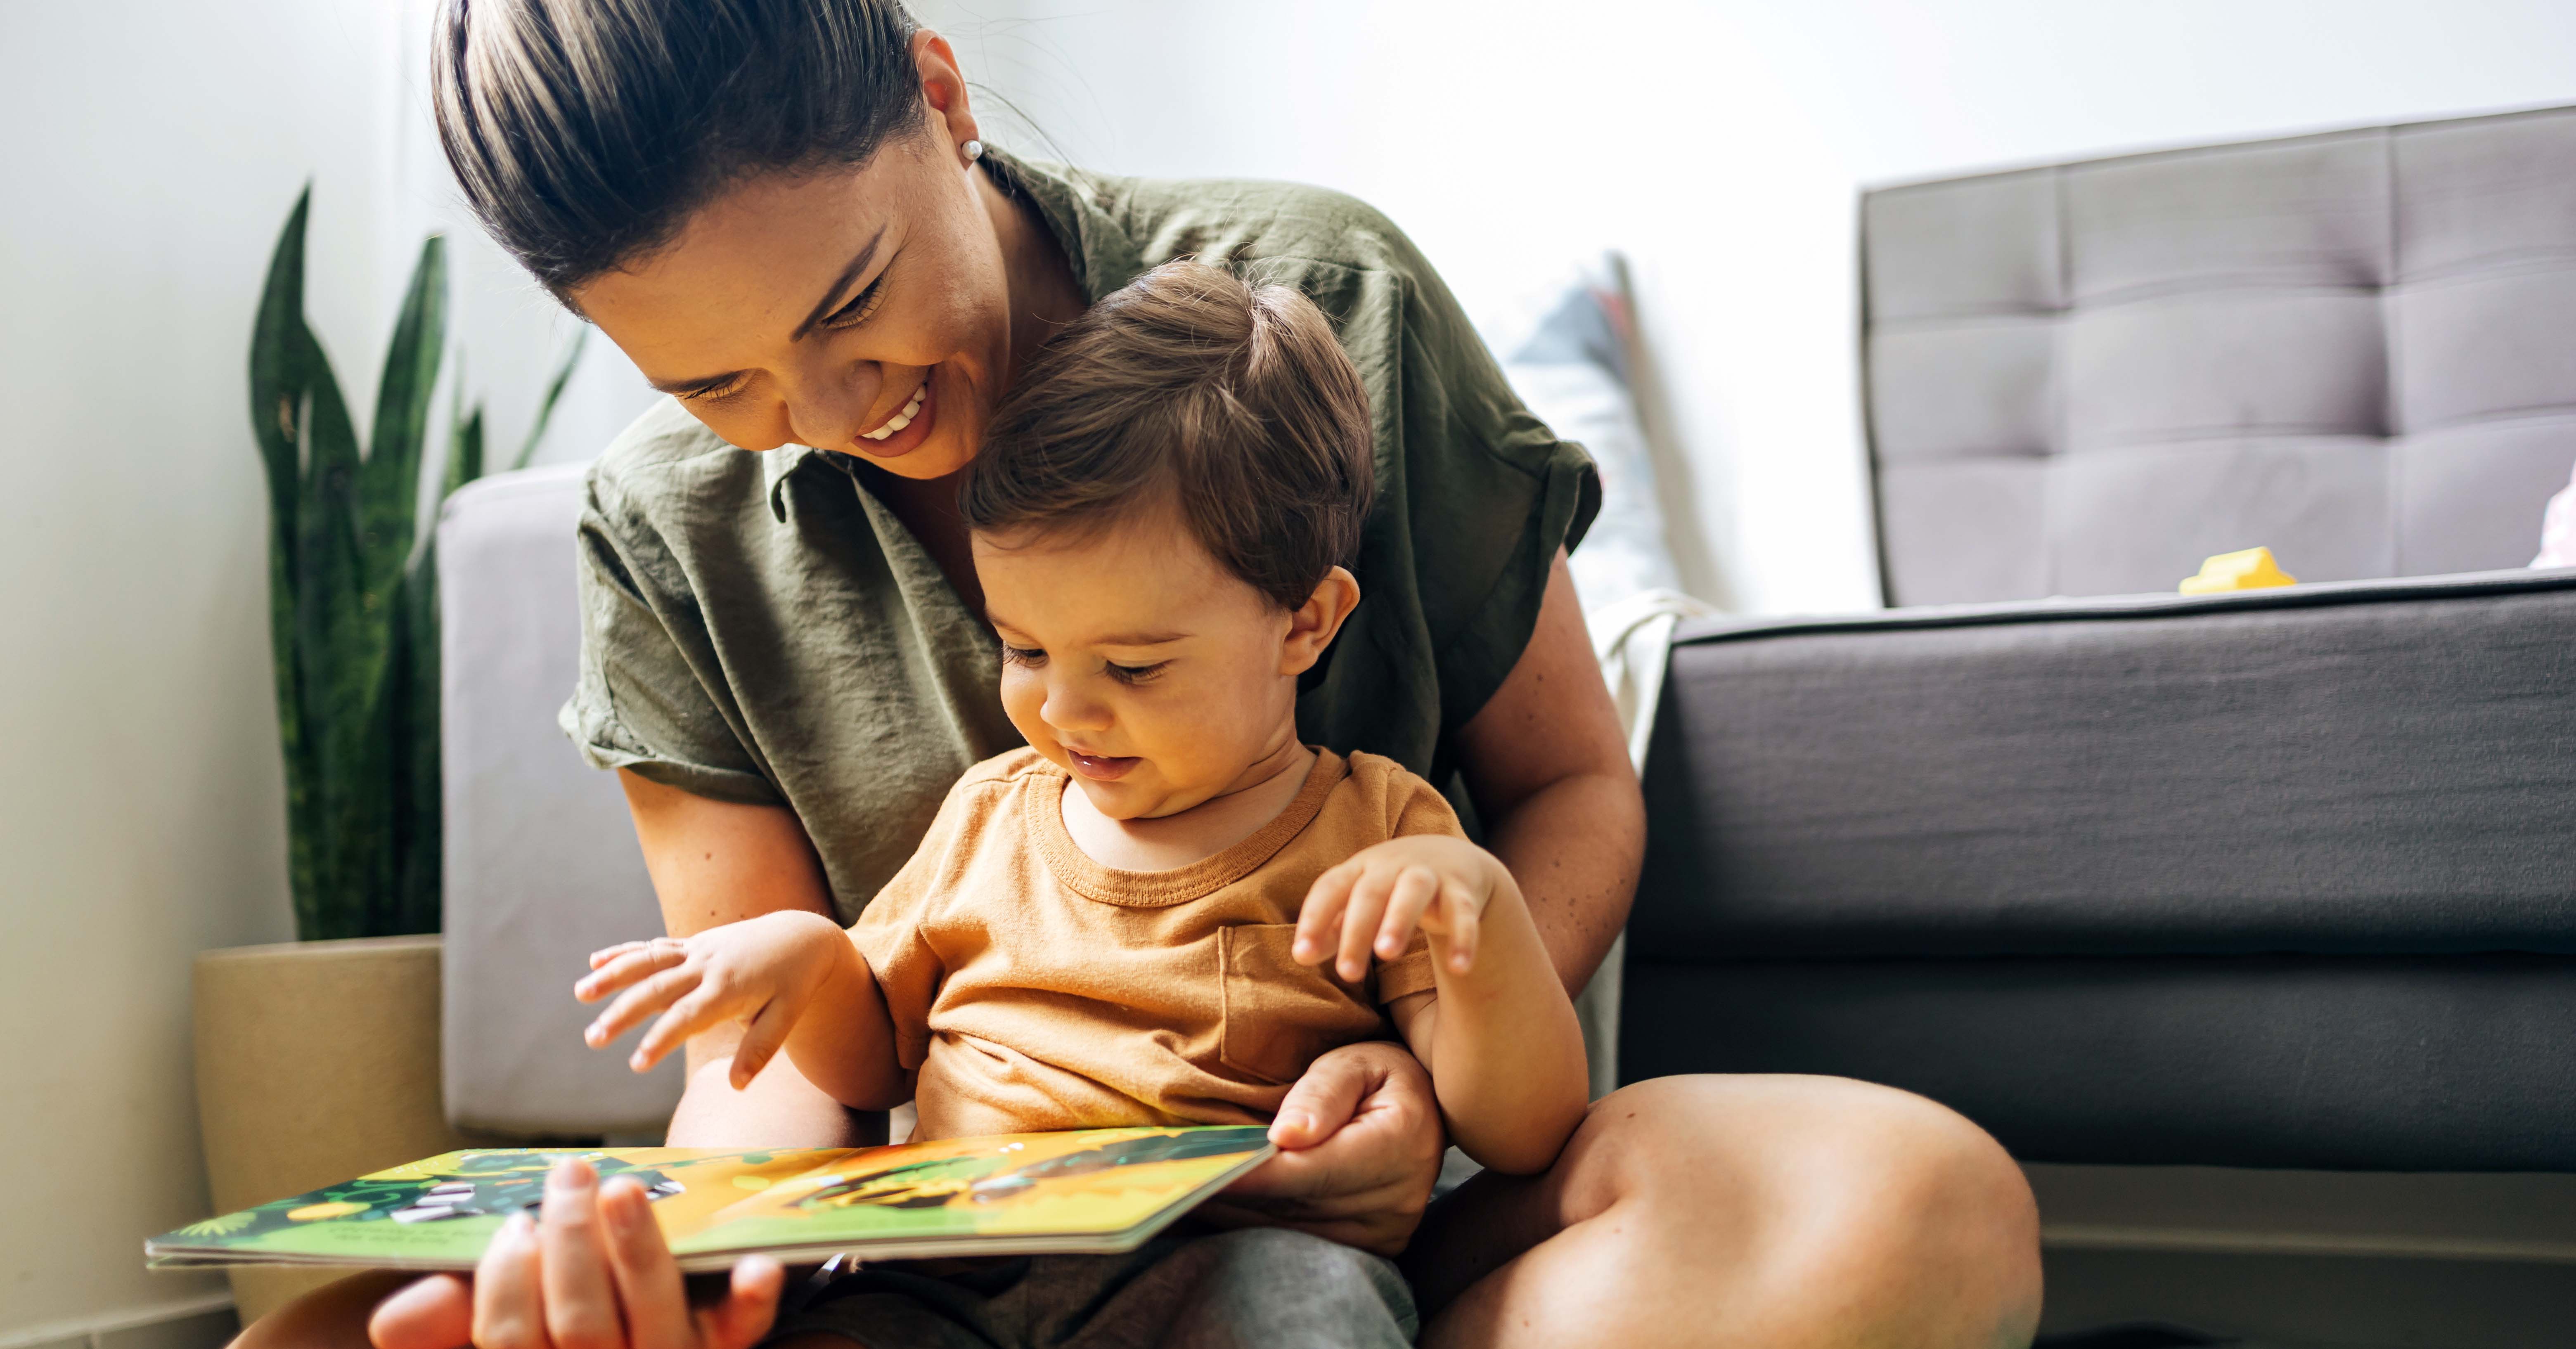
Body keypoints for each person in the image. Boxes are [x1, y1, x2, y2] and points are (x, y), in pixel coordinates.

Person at [237, 2, 2041, 1346]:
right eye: (717, 387)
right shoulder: (662, 528)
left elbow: (1573, 787)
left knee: (1921, 1208)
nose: (835, 417)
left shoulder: (1317, 298)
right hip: (942, 1247)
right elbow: (788, 1064)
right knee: (315, 1330)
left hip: (1341, 1228)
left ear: (939, 97)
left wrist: (1433, 1057)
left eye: (852, 305)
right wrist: (713, 1257)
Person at [566, 260, 1590, 1346]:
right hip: (946, 1279)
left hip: (1215, 1271)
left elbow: (1526, 1129)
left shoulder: (1379, 836)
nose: (1064, 710)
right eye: (1025, 646)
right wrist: (804, 962)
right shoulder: (991, 816)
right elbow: (875, 1050)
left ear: (1306, 623)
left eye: (1135, 668)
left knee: (1312, 1310)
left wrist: (1480, 917)